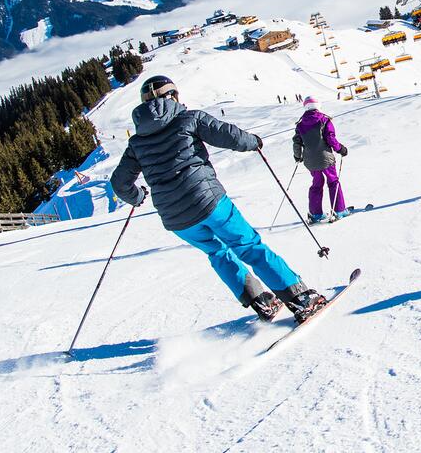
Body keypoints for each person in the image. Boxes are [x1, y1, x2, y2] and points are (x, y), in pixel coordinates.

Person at [110, 75, 326, 323]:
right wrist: (252, 142)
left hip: (175, 218)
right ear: (173, 96)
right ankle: (300, 299)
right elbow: (227, 135)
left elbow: (119, 183)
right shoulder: (189, 119)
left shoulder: (137, 143)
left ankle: (262, 302)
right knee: (248, 246)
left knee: (217, 253)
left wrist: (137, 197)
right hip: (208, 200)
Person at [293, 96, 349, 223]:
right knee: (333, 181)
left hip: (310, 161)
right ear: (318, 106)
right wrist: (341, 149)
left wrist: (298, 156)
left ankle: (316, 214)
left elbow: (297, 142)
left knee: (317, 183)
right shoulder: (324, 120)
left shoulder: (300, 124)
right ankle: (339, 210)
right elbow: (330, 139)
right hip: (325, 159)